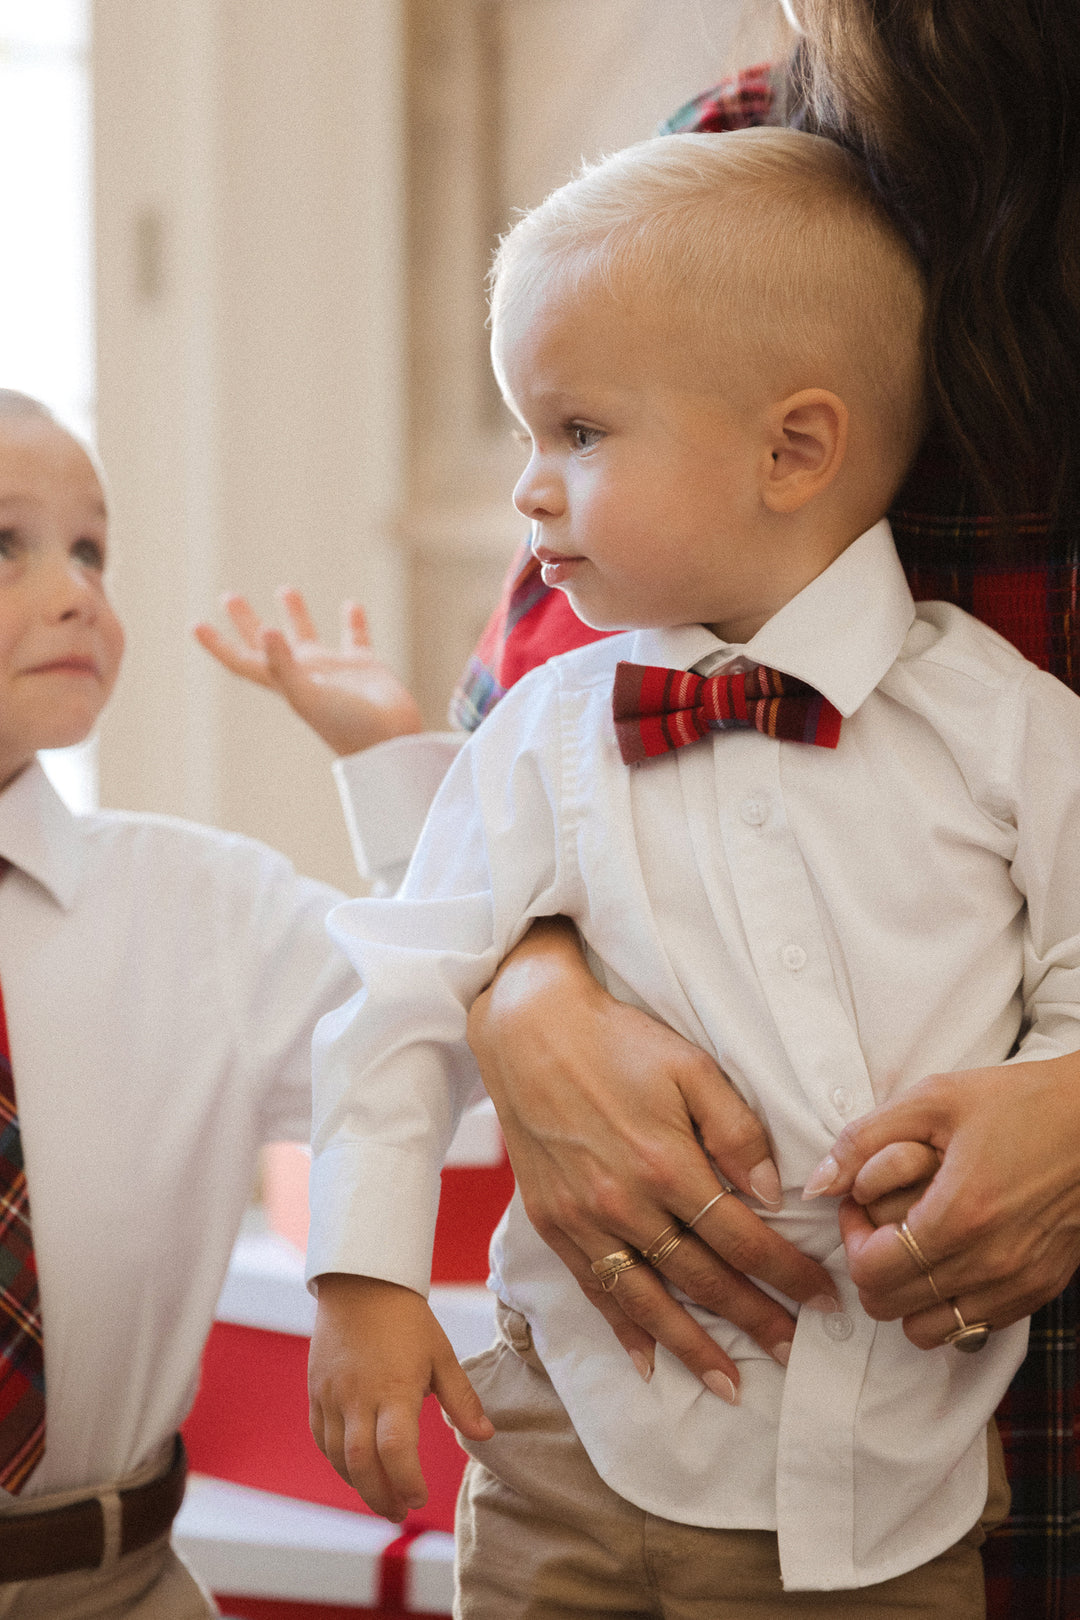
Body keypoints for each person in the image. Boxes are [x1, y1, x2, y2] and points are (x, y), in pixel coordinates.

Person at [301, 126, 1080, 1616]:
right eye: (528, 434)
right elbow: (402, 989)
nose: (527, 492)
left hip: (897, 1485)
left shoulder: (1008, 731)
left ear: (794, 449)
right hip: (570, 1450)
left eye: (577, 435)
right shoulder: (539, 736)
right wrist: (362, 1276)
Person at [0, 387, 381, 1620]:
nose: (75, 593)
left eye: (91, 549)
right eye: (5, 543)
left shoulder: (203, 911)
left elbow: (463, 1045)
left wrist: (392, 776)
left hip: (118, 1591)